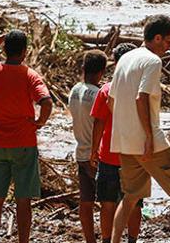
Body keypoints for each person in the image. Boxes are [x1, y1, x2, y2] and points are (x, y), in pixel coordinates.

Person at [108, 15, 170, 243]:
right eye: (168, 41)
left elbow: (112, 100)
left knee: (130, 196)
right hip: (147, 141)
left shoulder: (125, 58)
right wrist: (148, 136)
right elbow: (142, 98)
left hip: (124, 140)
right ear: (157, 37)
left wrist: (126, 128)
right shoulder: (152, 61)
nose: (169, 46)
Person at [0, 30, 53, 243]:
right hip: (24, 144)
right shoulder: (30, 75)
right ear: (25, 52)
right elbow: (46, 102)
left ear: (4, 50)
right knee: (23, 199)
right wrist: (40, 122)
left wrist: (0, 37)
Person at [89, 43, 142, 243]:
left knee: (107, 202)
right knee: (135, 202)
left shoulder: (106, 90)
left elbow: (99, 122)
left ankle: (107, 240)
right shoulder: (139, 90)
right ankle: (132, 240)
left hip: (109, 155)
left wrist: (94, 150)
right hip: (134, 155)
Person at [69, 50, 107, 243]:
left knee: (86, 202)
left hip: (81, 152)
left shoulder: (74, 90)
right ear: (101, 72)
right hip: (97, 155)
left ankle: (90, 240)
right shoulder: (99, 95)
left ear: (83, 68)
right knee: (108, 203)